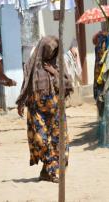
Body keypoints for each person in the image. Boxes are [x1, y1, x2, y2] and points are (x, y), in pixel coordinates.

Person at [16, 36, 73, 183]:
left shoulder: (59, 63)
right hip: (36, 109)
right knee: (40, 141)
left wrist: (54, 72)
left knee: (57, 140)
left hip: (56, 110)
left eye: (53, 51)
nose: (50, 54)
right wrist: (21, 102)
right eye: (48, 51)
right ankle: (47, 169)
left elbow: (67, 84)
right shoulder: (32, 63)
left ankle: (50, 172)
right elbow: (26, 83)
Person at [93, 18, 109, 116]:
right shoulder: (102, 38)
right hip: (101, 70)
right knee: (101, 92)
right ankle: (102, 115)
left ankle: (108, 114)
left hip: (107, 69)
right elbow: (101, 54)